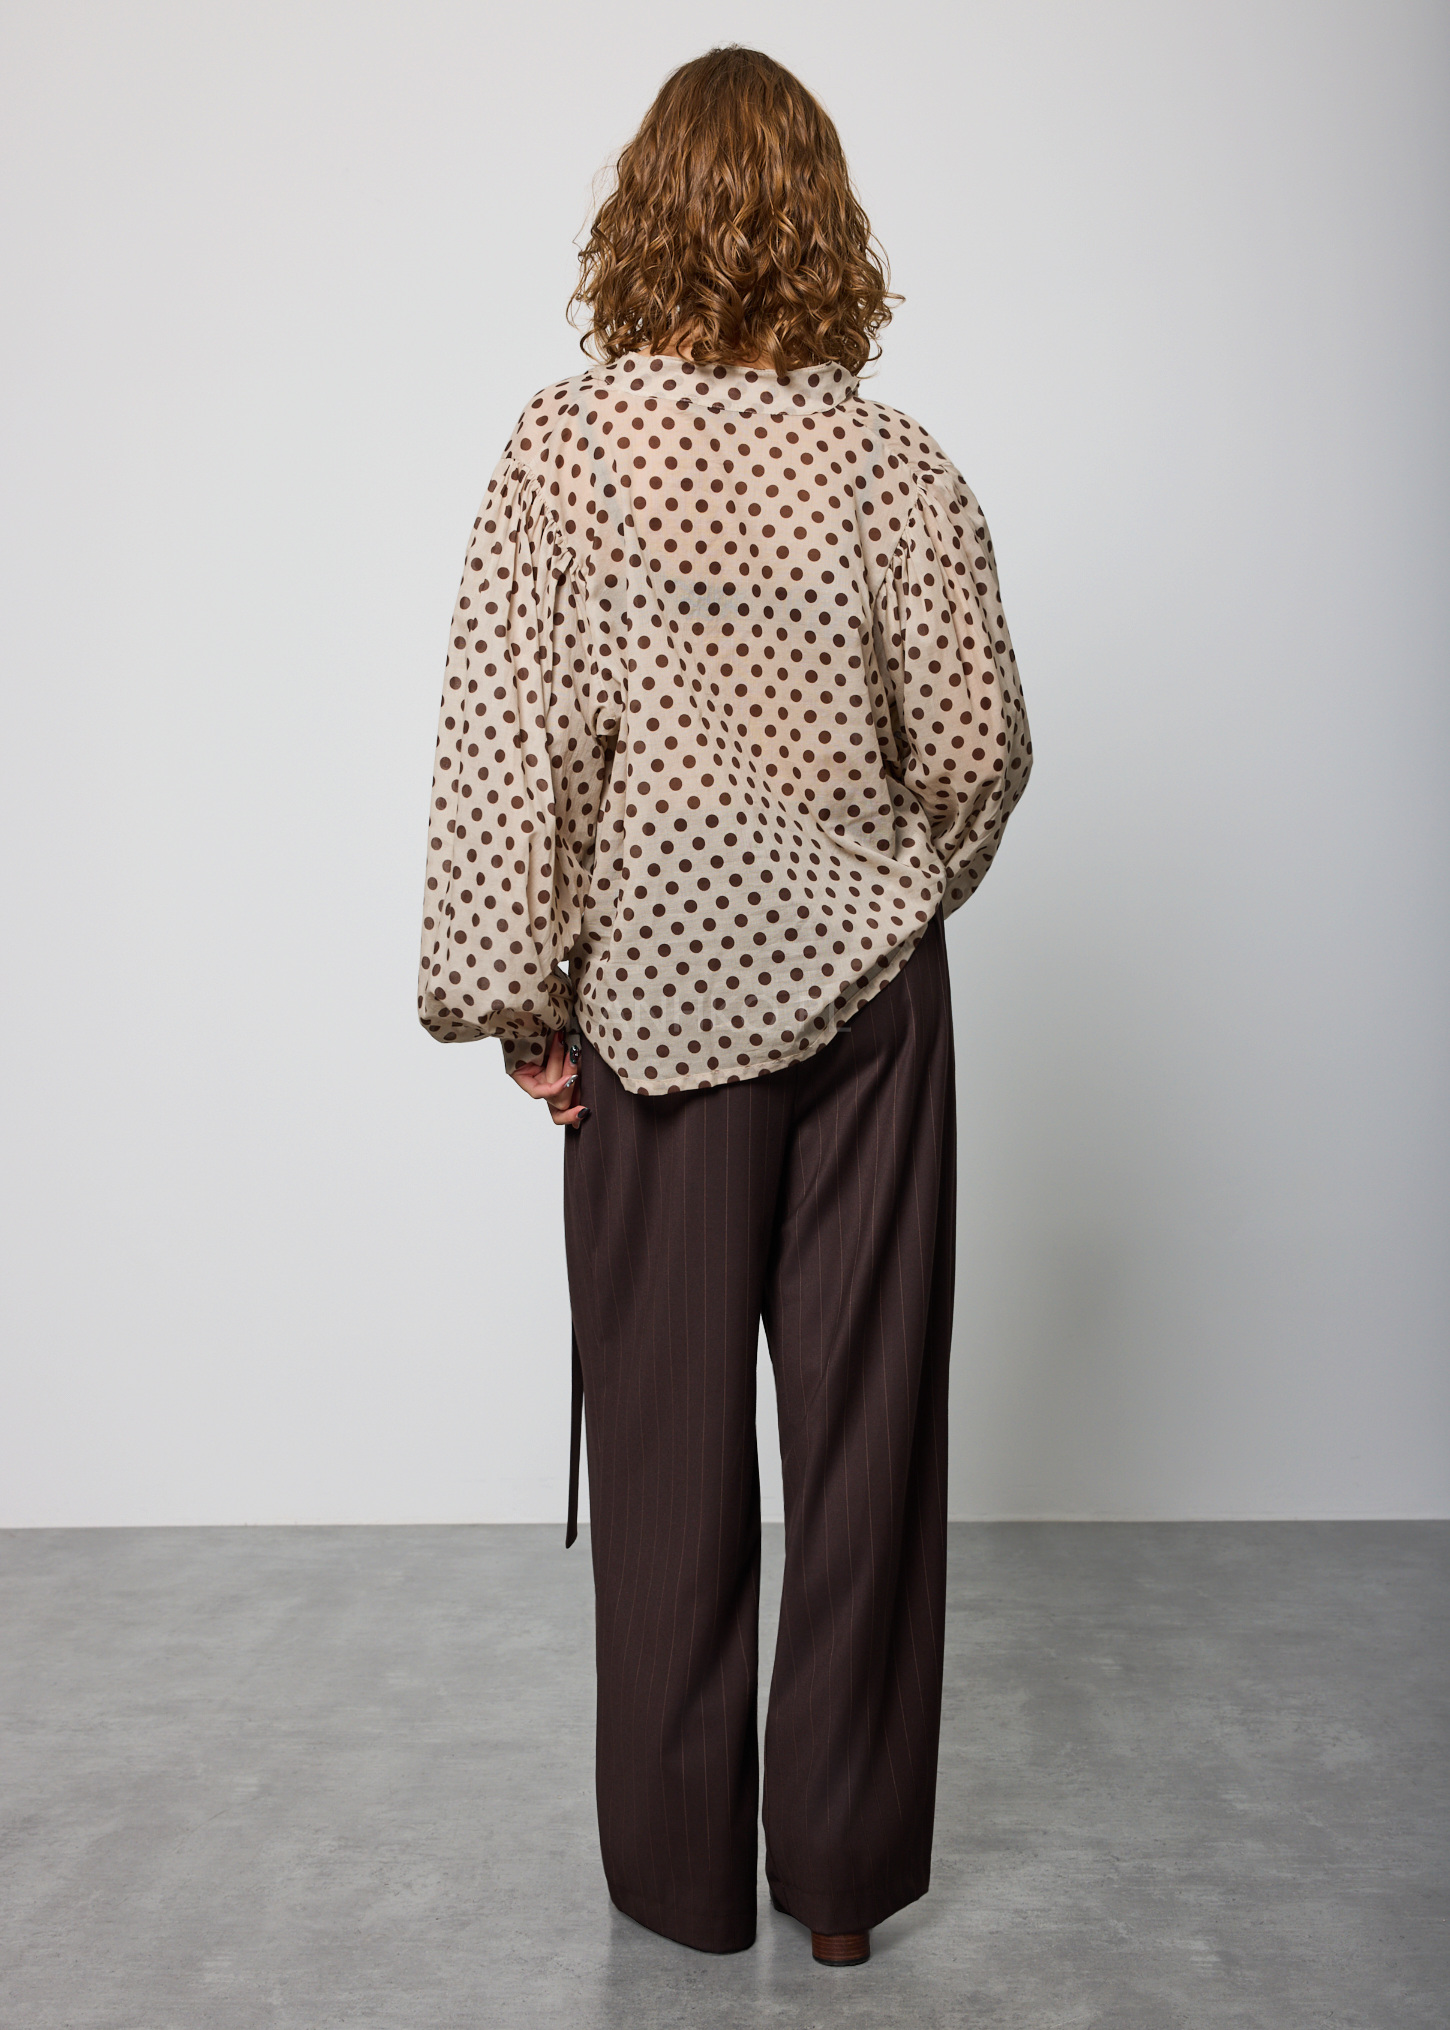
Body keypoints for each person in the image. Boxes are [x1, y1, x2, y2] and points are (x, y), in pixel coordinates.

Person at [417, 45, 1032, 1969]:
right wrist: (891, 895)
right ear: (823, 223)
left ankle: (681, 1893)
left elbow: (510, 751)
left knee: (670, 1451)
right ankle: (839, 1892)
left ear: (644, 215)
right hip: (874, 1008)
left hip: (654, 1010)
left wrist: (522, 1006)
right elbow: (979, 752)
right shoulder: (898, 465)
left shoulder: (566, 446)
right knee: (866, 1450)